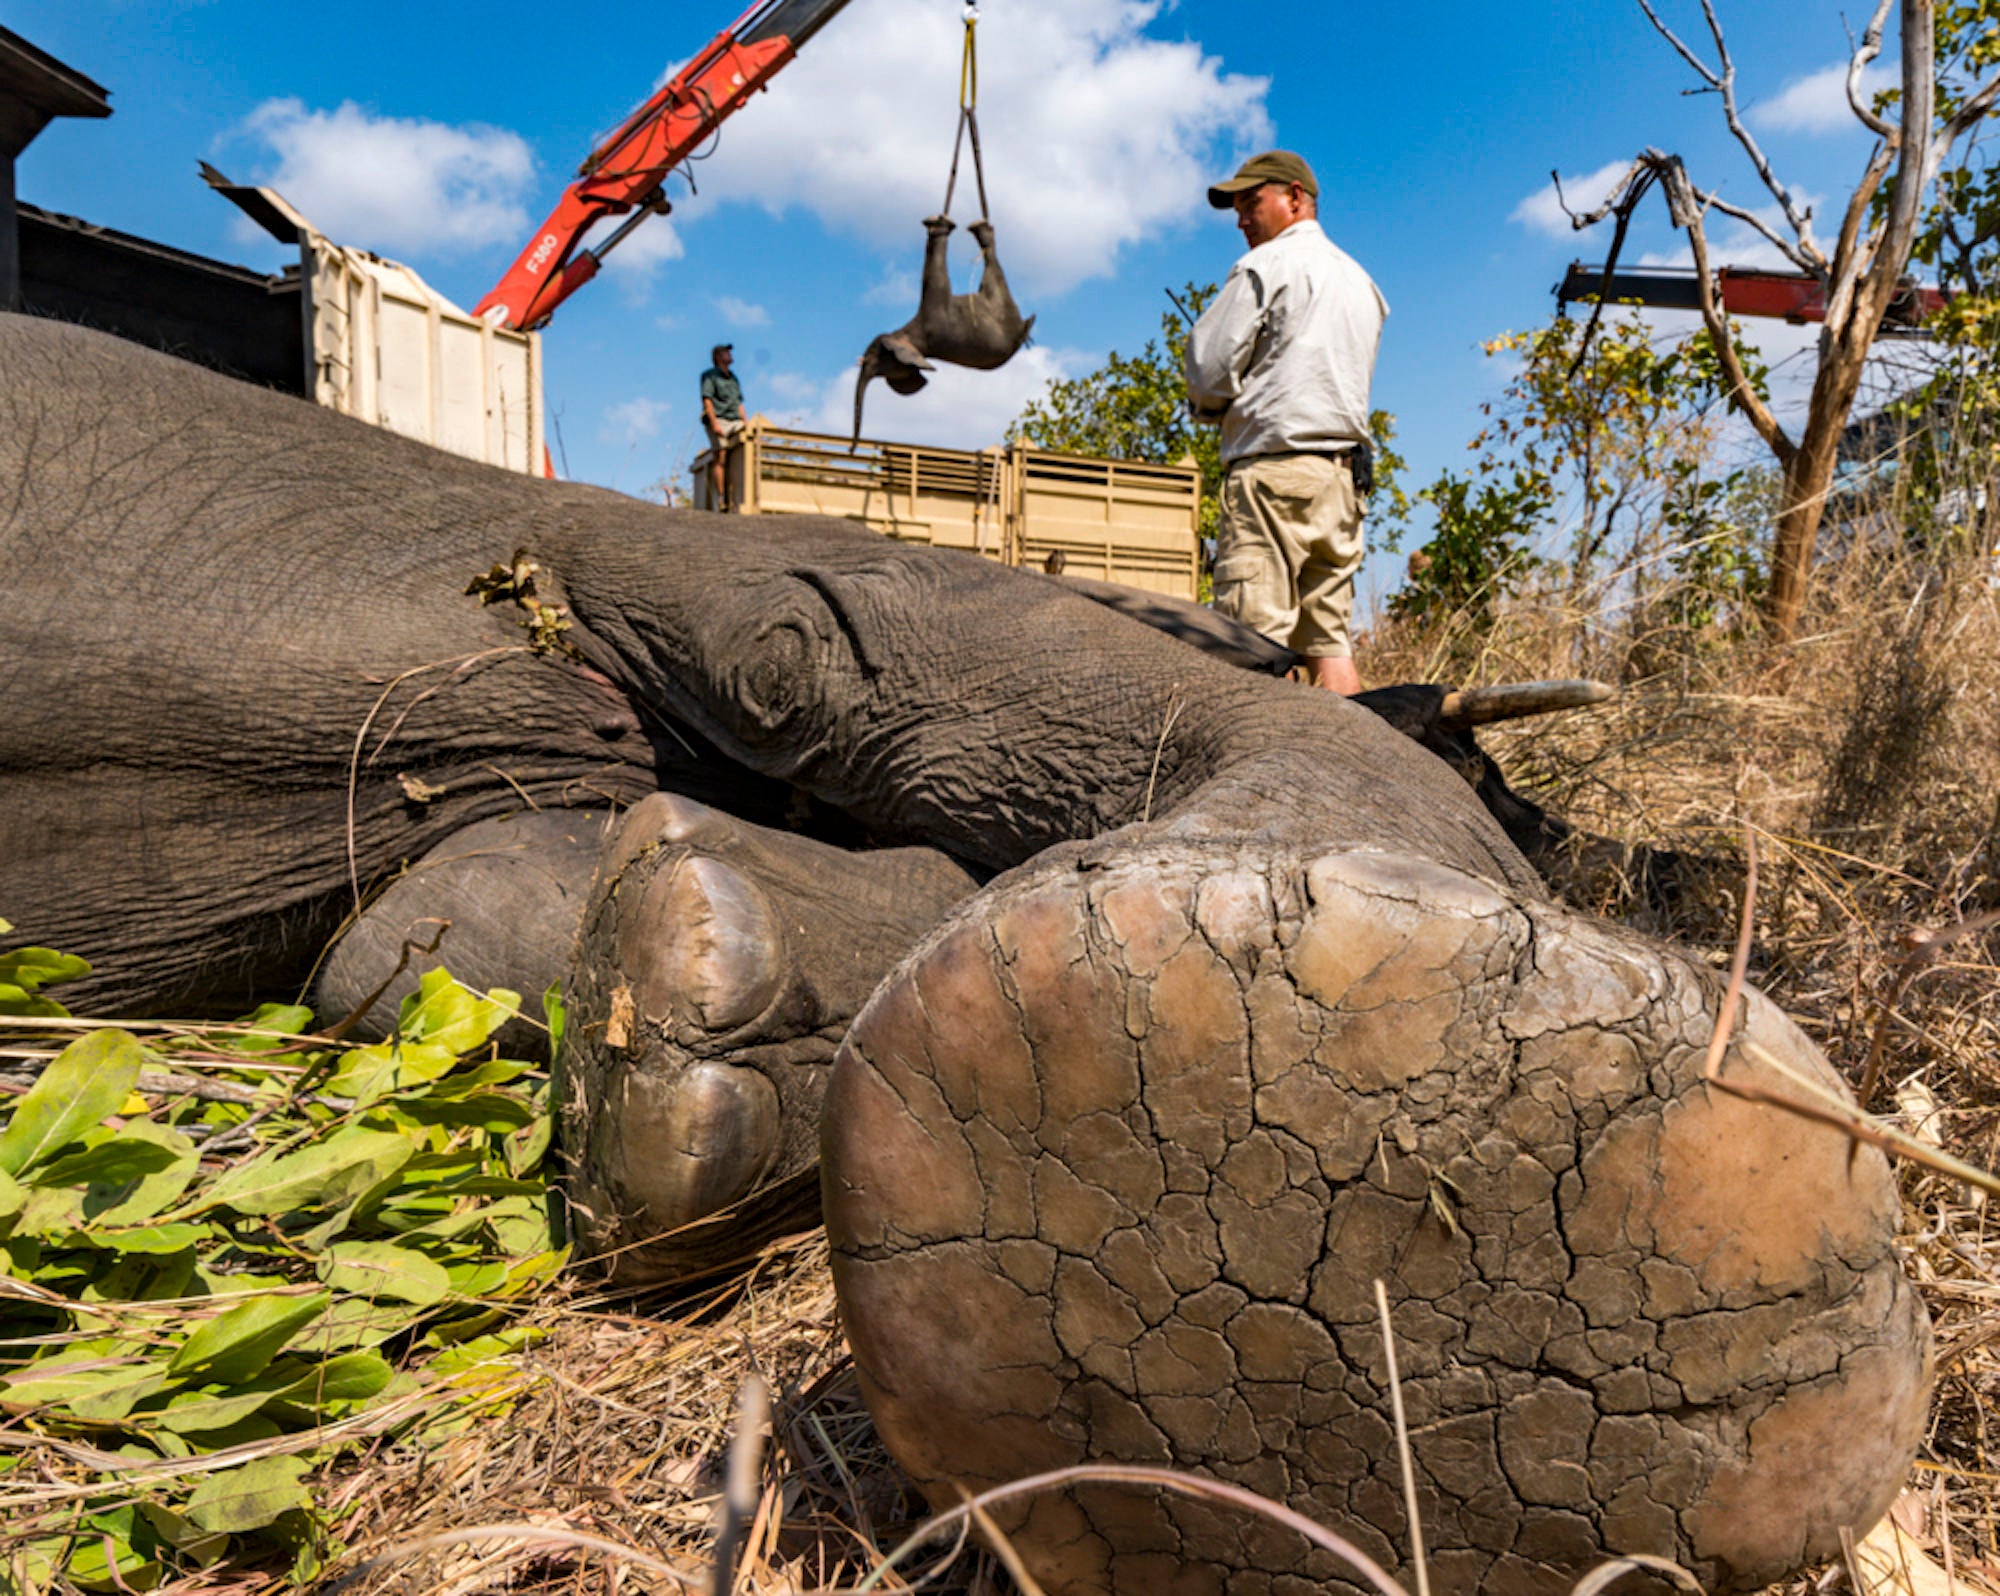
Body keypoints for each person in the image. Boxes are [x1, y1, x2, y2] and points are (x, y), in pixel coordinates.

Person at [1184, 150, 1388, 695]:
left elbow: (1206, 370)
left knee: (1250, 646)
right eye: (1237, 210)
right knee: (1330, 642)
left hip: (1275, 480)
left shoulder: (1266, 267)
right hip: (1342, 485)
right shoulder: (1360, 281)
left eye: (1252, 203)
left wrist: (1216, 406)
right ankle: (1359, 769)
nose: (1241, 220)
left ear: (1295, 197)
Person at [700, 343, 745, 511]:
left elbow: (739, 403)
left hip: (734, 419)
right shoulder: (709, 376)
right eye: (726, 352)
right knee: (721, 455)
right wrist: (714, 424)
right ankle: (721, 497)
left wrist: (745, 423)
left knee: (749, 440)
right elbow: (707, 400)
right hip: (718, 419)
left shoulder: (734, 378)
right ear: (719, 357)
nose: (730, 354)